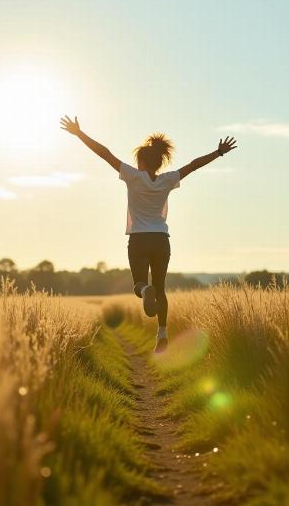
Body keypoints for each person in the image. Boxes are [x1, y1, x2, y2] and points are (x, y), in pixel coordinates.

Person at [60, 115, 237, 353]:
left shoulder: (133, 176)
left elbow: (105, 154)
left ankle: (145, 291)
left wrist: (79, 134)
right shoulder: (167, 179)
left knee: (139, 284)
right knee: (161, 289)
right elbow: (193, 165)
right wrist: (218, 153)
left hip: (139, 238)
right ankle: (162, 334)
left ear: (141, 161)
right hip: (161, 240)